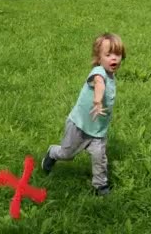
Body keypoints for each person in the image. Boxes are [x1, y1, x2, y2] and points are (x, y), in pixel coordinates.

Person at [41, 33, 126, 196]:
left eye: (117, 54)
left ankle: (100, 186)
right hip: (79, 126)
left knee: (99, 157)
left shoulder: (111, 76)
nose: (113, 58)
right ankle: (52, 153)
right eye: (108, 55)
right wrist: (97, 100)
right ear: (98, 58)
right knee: (67, 154)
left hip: (98, 130)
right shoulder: (98, 72)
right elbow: (99, 84)